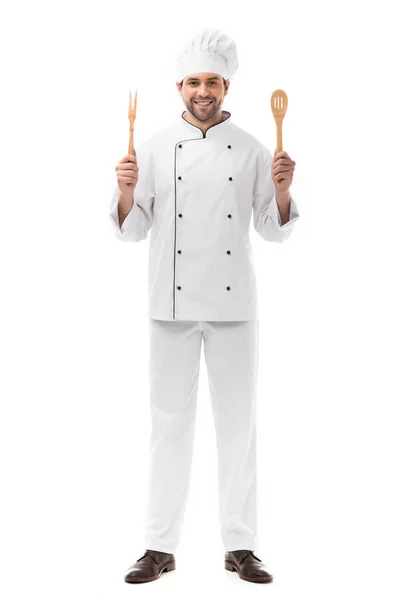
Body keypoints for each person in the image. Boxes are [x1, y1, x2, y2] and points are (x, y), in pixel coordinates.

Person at [109, 28, 300, 584]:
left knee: (238, 426)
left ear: (225, 85)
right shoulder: (150, 146)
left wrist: (283, 192)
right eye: (193, 81)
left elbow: (273, 230)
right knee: (167, 425)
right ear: (179, 86)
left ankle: (240, 546)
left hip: (234, 304)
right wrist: (124, 191)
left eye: (211, 81)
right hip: (167, 305)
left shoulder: (254, 149)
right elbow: (132, 229)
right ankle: (158, 546)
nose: (202, 90)